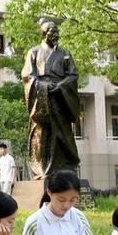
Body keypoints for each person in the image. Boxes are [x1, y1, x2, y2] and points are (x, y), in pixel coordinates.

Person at [21, 19, 81, 182]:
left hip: (60, 99)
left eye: (57, 32)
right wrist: (44, 87)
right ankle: (42, 169)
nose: (56, 35)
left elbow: (73, 75)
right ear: (44, 33)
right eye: (52, 32)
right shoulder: (33, 52)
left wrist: (60, 86)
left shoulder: (65, 53)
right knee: (42, 136)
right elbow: (28, 76)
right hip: (41, 101)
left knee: (62, 135)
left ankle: (64, 168)